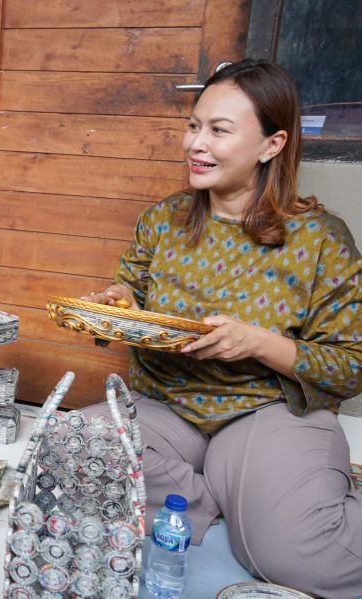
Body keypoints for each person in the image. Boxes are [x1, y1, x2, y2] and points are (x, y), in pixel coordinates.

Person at [80, 60, 361, 597]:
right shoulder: (162, 221)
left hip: (265, 412)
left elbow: (352, 365)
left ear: (272, 144)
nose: (195, 144)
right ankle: (231, 497)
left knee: (298, 558)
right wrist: (119, 304)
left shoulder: (321, 240)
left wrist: (256, 341)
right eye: (193, 125)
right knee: (68, 449)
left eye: (219, 130)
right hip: (164, 407)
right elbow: (131, 291)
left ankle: (263, 498)